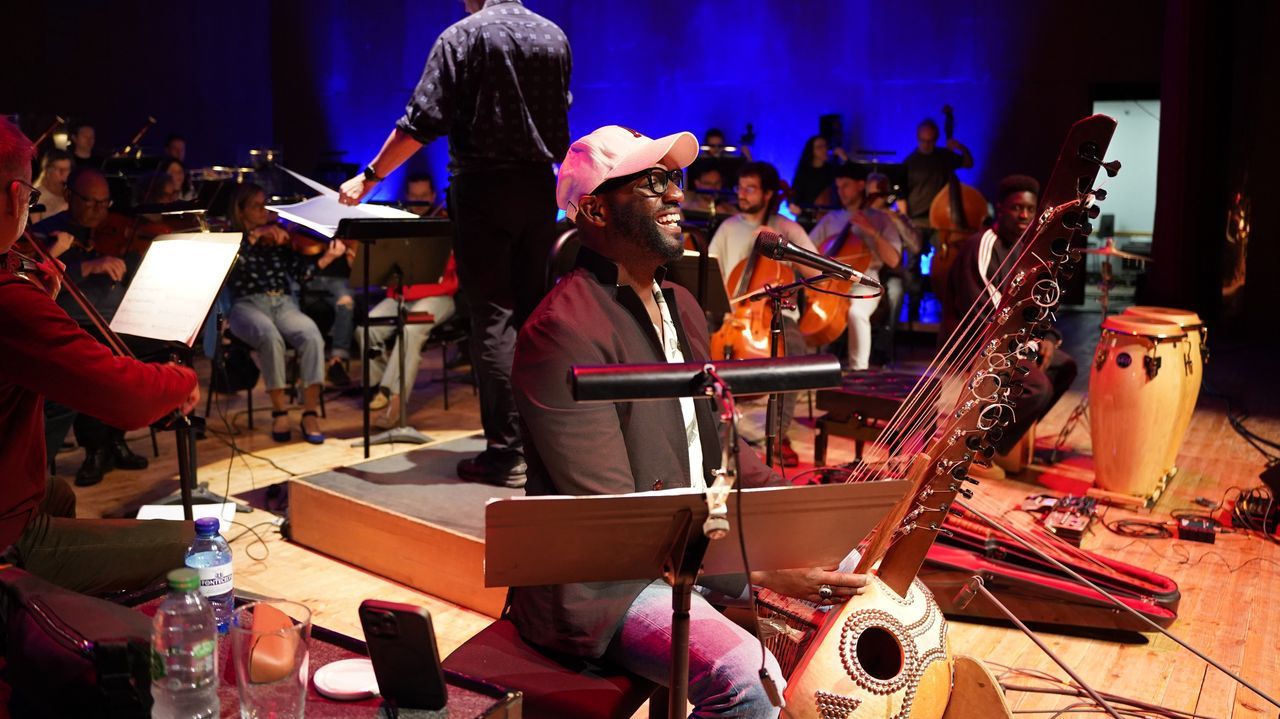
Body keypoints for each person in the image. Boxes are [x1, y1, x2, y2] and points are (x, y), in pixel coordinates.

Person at [511, 125, 869, 717]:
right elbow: (620, 520)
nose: (677, 194)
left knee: (857, 571)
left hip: (685, 550)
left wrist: (813, 525)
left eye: (673, 179)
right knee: (744, 680)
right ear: (596, 209)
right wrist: (766, 572)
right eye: (653, 183)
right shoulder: (561, 329)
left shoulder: (679, 303)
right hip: (602, 587)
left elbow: (715, 445)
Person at [338, 0, 571, 488]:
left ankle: (506, 455)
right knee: (533, 317)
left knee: (494, 318)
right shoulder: (554, 36)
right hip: (538, 191)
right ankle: (541, 444)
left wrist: (371, 177)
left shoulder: (463, 36)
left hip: (484, 190)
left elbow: (421, 122)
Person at [0, 117, 200, 596]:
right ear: (13, 197)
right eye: (30, 200)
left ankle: (53, 629)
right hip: (5, 530)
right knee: (197, 547)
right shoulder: (9, 300)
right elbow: (124, 397)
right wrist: (180, 379)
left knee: (59, 492)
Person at [940, 175, 1076, 478]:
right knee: (1036, 387)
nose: (1025, 216)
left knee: (1065, 368)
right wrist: (1028, 343)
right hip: (978, 344)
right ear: (999, 208)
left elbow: (1042, 301)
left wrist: (1049, 337)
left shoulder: (1029, 247)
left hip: (1012, 340)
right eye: (1017, 208)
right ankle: (978, 448)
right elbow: (988, 311)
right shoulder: (982, 245)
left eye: (1030, 209)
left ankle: (1004, 442)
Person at [34, 168, 154, 486]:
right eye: (91, 202)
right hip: (74, 323)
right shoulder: (47, 234)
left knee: (152, 356)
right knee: (96, 366)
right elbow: (35, 280)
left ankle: (116, 438)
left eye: (105, 203)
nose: (100, 211)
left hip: (118, 321)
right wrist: (85, 265)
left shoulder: (118, 232)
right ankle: (95, 449)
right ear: (70, 196)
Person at [708, 161, 822, 467]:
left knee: (794, 350)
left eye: (750, 188)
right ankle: (710, 426)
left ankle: (777, 434)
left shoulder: (786, 227)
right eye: (739, 187)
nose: (742, 194)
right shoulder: (728, 227)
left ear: (769, 193)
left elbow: (819, 272)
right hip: (732, 311)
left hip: (777, 313)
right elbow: (712, 270)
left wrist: (782, 245)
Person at [226, 183, 345, 444]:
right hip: (246, 305)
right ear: (241, 210)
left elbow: (301, 272)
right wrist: (253, 237)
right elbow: (230, 273)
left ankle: (309, 412)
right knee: (270, 337)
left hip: (282, 302)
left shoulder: (278, 238)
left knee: (312, 335)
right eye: (257, 206)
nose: (264, 210)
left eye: (265, 204)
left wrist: (327, 258)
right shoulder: (231, 239)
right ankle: (279, 411)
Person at [807, 163, 903, 370]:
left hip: (865, 281)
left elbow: (894, 260)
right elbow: (808, 251)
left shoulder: (879, 219)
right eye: (838, 187)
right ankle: (815, 369)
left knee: (856, 313)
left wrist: (871, 231)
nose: (841, 191)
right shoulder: (831, 219)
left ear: (861, 185)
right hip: (833, 284)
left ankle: (859, 371)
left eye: (846, 186)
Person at [361, 255, 458, 428]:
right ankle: (380, 384)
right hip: (400, 297)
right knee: (366, 329)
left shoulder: (446, 229)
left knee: (410, 330)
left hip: (439, 295)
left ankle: (394, 399)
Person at [866, 171, 921, 358]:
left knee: (895, 291)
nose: (875, 199)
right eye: (871, 194)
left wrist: (897, 219)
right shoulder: (861, 214)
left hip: (891, 271)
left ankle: (883, 347)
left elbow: (915, 246)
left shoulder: (895, 215)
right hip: (865, 269)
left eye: (879, 194)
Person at [901, 117, 973, 242]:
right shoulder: (909, 163)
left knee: (946, 250)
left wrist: (961, 147)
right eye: (923, 141)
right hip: (917, 219)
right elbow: (901, 195)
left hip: (941, 218)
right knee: (913, 255)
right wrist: (906, 219)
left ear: (936, 139)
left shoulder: (943, 156)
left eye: (930, 141)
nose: (926, 145)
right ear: (918, 139)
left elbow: (968, 163)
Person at [790, 134, 845, 210]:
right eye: (819, 147)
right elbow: (795, 193)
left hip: (830, 214)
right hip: (808, 213)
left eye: (825, 146)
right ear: (812, 151)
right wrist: (793, 204)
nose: (824, 149)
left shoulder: (832, 169)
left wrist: (845, 158)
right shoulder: (804, 172)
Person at [30, 149, 71, 222]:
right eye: (60, 170)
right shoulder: (35, 195)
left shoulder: (70, 192)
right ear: (48, 169)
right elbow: (35, 227)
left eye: (67, 170)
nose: (65, 174)